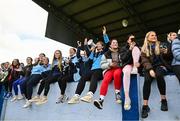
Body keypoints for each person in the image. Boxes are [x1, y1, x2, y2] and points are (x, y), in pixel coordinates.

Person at [141, 31, 168, 118]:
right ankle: (145, 106)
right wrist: (150, 69)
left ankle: (163, 100)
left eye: (155, 35)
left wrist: (166, 52)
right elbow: (144, 60)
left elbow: (168, 56)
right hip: (149, 67)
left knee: (159, 75)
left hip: (160, 66)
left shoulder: (160, 44)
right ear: (147, 37)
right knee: (147, 80)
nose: (154, 36)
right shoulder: (144, 48)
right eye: (152, 35)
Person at [93, 38, 122, 109]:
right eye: (113, 43)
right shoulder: (106, 54)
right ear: (110, 45)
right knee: (106, 79)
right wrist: (109, 65)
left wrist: (120, 64)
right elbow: (102, 65)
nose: (115, 44)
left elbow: (125, 60)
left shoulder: (121, 52)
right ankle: (101, 100)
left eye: (116, 43)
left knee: (117, 74)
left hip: (118, 68)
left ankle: (117, 94)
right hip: (109, 69)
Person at [120, 35, 141, 110]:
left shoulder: (138, 47)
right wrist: (130, 49)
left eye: (133, 39)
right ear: (127, 40)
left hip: (137, 66)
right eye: (130, 39)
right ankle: (127, 97)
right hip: (127, 65)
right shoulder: (123, 48)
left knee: (136, 48)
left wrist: (139, 64)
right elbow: (123, 59)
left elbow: (142, 58)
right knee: (126, 72)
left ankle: (135, 68)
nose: (132, 40)